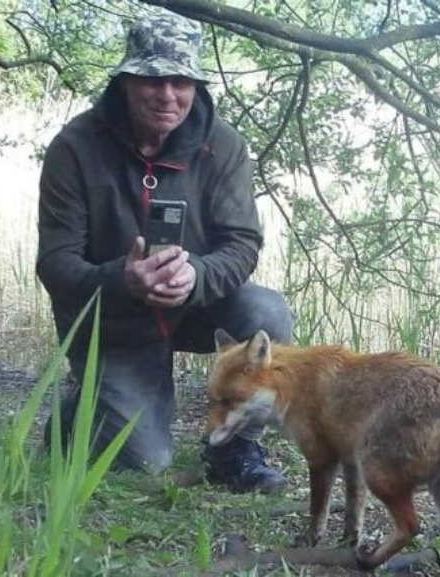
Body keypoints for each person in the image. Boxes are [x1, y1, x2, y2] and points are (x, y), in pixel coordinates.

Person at [36, 11, 294, 493]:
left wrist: (195, 275)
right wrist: (123, 279)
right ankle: (80, 411)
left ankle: (234, 451)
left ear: (196, 85)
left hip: (196, 307)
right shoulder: (75, 147)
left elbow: (242, 244)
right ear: (127, 80)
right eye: (153, 80)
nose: (168, 96)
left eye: (182, 81)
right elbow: (55, 263)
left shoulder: (224, 146)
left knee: (268, 313)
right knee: (144, 465)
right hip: (114, 322)